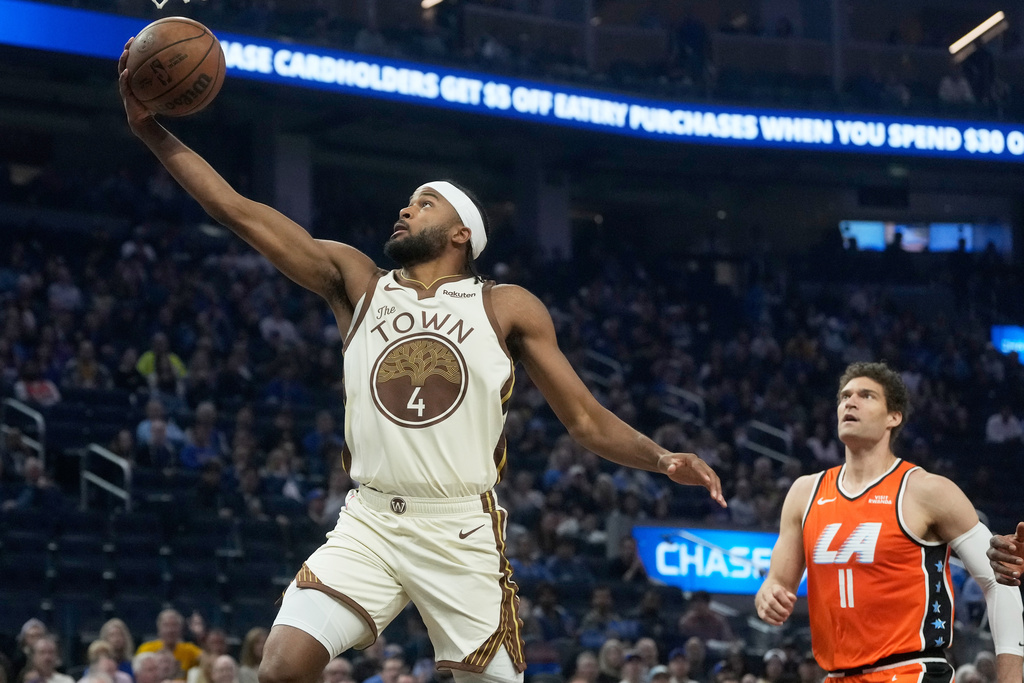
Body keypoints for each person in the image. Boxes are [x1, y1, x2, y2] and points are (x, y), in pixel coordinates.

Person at [118, 45, 725, 683]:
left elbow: (584, 419)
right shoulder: (357, 282)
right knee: (279, 668)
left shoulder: (505, 305)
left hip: (460, 529)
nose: (406, 209)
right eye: (409, 202)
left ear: (463, 232)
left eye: (424, 203)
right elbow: (238, 212)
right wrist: (150, 131)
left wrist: (662, 458)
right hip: (370, 520)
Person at [755, 362, 1023, 683]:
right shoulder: (804, 492)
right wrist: (767, 596)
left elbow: (999, 582)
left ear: (893, 418)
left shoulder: (927, 490)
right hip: (836, 675)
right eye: (844, 396)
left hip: (911, 671)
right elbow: (776, 584)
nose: (850, 403)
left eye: (866, 396)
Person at [135, 610, 202, 676]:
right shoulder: (146, 649)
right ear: (159, 628)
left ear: (181, 629)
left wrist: (200, 636)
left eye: (174, 625)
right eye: (166, 625)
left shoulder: (189, 650)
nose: (170, 630)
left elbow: (208, 663)